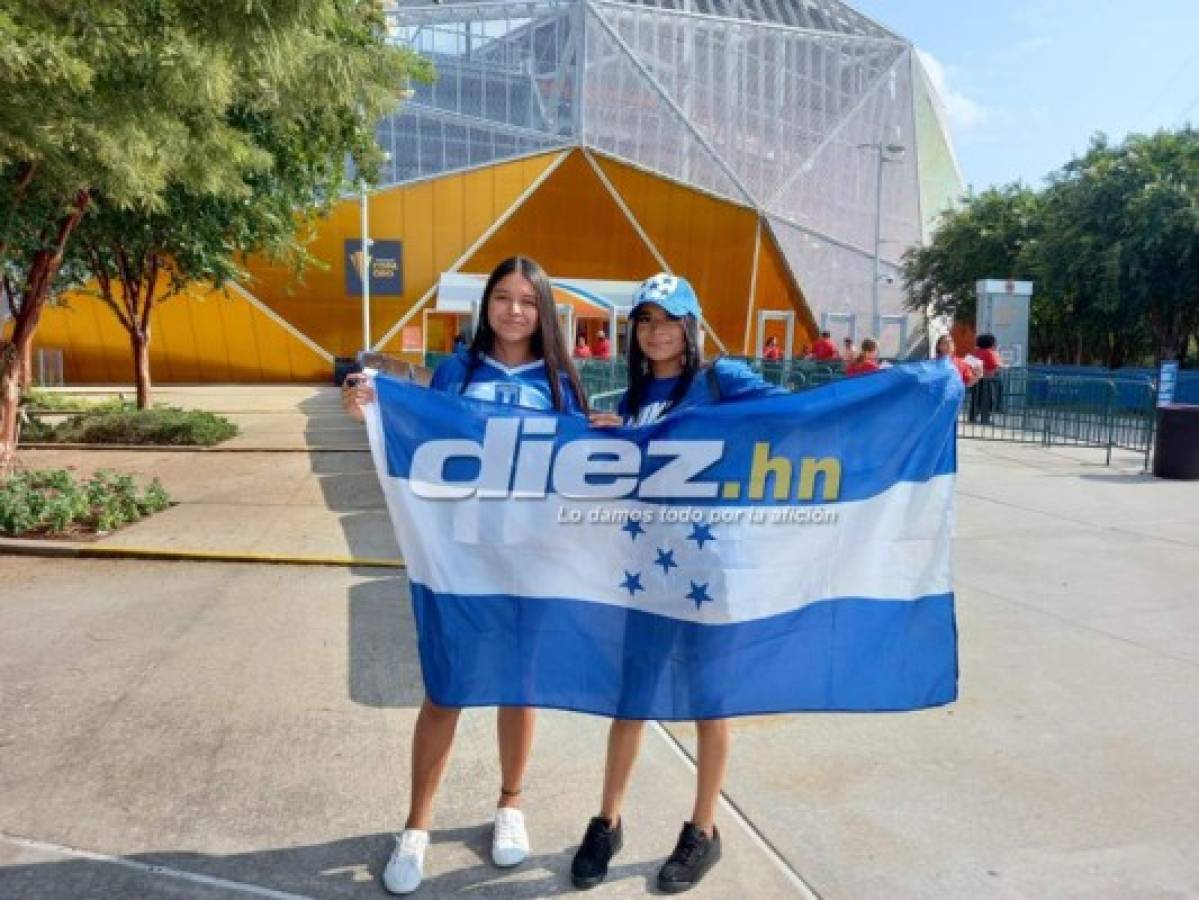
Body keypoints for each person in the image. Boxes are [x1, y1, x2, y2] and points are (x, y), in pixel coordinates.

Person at [344, 255, 587, 895]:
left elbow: (586, 462)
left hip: (530, 562)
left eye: (527, 301)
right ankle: (417, 826)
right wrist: (371, 408)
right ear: (486, 305)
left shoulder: (561, 380)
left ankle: (510, 805)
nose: (513, 310)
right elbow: (418, 431)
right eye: (502, 298)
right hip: (460, 560)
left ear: (544, 312)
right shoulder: (458, 371)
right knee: (446, 691)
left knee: (519, 686)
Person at [575, 273, 785, 893]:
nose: (656, 331)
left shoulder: (722, 379)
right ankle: (607, 821)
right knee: (631, 699)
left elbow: (796, 412)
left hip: (707, 570)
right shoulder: (639, 392)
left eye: (669, 319)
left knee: (708, 700)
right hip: (646, 569)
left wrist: (915, 386)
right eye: (645, 320)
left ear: (691, 325)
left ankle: (704, 829)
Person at [970, 333, 1004, 423]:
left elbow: (970, 365)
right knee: (988, 400)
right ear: (991, 343)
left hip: (976, 380)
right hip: (988, 380)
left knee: (975, 399)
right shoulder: (990, 352)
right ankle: (985, 419)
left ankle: (972, 417)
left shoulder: (975, 352)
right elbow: (996, 366)